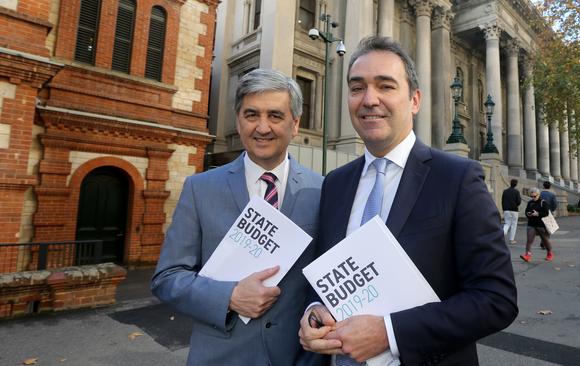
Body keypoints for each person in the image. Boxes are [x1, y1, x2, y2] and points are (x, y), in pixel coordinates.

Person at [298, 36, 517, 366]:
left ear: (414, 100)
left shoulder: (458, 178)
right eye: (357, 88)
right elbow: (328, 275)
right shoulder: (336, 184)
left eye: (385, 86)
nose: (369, 99)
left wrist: (389, 333)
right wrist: (314, 310)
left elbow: (496, 300)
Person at [150, 69, 325, 365]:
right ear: (238, 120)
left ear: (295, 124)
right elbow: (167, 278)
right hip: (220, 356)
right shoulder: (200, 188)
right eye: (251, 114)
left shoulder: (322, 191)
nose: (262, 127)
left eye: (275, 116)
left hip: (297, 358)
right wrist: (229, 297)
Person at [520, 187, 554, 262]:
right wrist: (528, 214)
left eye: (534, 196)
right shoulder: (530, 202)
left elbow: (546, 213)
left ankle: (549, 253)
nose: (533, 198)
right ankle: (527, 255)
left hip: (541, 225)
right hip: (531, 224)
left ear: (538, 195)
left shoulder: (543, 202)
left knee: (545, 240)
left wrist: (538, 214)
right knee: (529, 240)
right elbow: (526, 211)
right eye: (531, 196)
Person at [502, 179, 522, 244]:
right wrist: (516, 205)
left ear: (510, 183)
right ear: (516, 184)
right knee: (514, 225)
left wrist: (504, 209)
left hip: (506, 209)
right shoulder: (516, 192)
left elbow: (502, 201)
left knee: (507, 223)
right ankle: (512, 240)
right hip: (514, 210)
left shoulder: (505, 191)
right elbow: (519, 201)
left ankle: (503, 233)